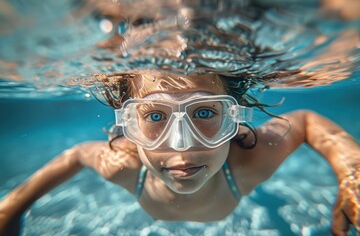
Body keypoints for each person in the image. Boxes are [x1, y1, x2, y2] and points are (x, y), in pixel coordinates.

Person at [0, 69, 359, 236]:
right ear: (129, 125)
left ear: (233, 117)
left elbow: (309, 121)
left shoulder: (249, 159)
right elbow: (77, 154)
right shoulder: (124, 164)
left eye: (205, 113)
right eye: (154, 117)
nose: (182, 145)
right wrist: (11, 207)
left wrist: (351, 173)